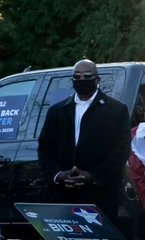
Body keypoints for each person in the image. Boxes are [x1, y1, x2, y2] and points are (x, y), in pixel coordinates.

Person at [38, 59, 131, 227]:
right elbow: (44, 149)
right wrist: (58, 175)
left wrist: (92, 176)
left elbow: (121, 151)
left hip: (99, 196)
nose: (81, 79)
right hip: (62, 197)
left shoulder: (116, 110)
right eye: (76, 76)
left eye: (87, 75)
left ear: (97, 79)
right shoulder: (57, 111)